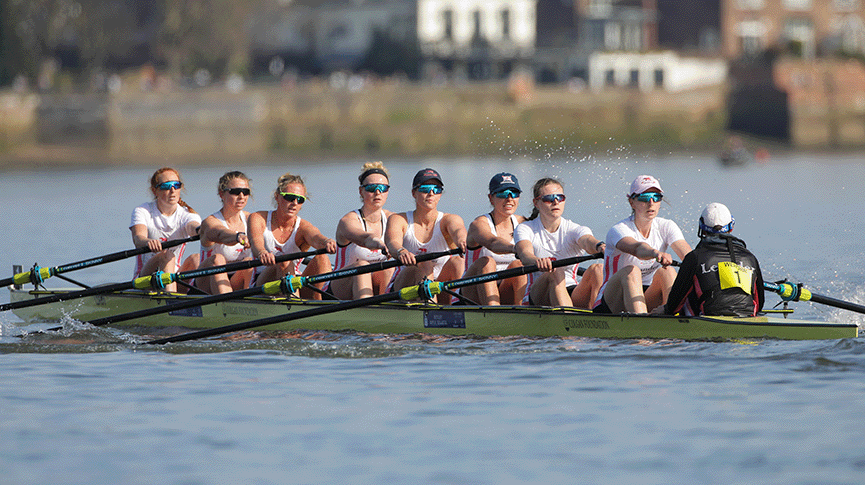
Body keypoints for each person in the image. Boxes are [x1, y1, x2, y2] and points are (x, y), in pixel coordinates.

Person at [593, 175, 691, 314]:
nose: (651, 203)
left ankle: (674, 317)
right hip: (612, 301)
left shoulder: (667, 226)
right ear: (631, 202)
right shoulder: (619, 230)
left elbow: (689, 258)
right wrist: (655, 253)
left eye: (656, 197)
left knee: (668, 271)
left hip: (646, 295)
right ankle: (642, 328)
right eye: (645, 197)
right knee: (632, 271)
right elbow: (637, 248)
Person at [658, 203, 765, 316]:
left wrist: (665, 310)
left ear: (702, 229)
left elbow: (674, 305)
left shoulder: (694, 257)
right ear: (731, 227)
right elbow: (760, 304)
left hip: (709, 320)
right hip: (747, 318)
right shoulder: (750, 257)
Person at [514, 177, 604, 308]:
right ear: (536, 202)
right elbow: (525, 254)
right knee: (556, 271)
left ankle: (599, 318)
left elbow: (587, 242)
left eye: (560, 197)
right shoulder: (525, 228)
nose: (555, 202)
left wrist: (599, 246)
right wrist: (537, 261)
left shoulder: (574, 229)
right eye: (549, 198)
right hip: (539, 293)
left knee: (598, 269)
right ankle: (570, 318)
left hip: (571, 291)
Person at [248, 172, 337, 299]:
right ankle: (295, 304)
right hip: (263, 284)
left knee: (322, 258)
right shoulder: (258, 218)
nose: (294, 203)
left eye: (300, 200)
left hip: (294, 282)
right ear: (277, 196)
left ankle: (316, 302)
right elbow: (255, 240)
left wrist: (327, 242)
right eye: (289, 197)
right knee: (284, 262)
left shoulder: (303, 227)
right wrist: (262, 252)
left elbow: (316, 238)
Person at [385, 168, 467, 304]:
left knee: (458, 261)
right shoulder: (399, 219)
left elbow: (458, 230)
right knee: (424, 262)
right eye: (425, 188)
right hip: (404, 285)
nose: (431, 193)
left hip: (439, 283)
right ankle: (431, 308)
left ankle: (458, 305)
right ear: (414, 193)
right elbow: (392, 242)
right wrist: (401, 251)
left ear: (440, 194)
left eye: (437, 189)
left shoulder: (449, 219)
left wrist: (462, 241)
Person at [328, 162, 394, 300]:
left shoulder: (393, 219)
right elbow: (364, 238)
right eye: (371, 188)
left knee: (389, 267)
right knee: (362, 266)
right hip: (340, 287)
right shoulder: (348, 221)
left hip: (376, 282)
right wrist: (378, 243)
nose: (378, 192)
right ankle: (367, 312)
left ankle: (389, 309)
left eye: (383, 188)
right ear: (361, 191)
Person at [130, 167, 201, 293]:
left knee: (197, 258)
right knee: (167, 255)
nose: (172, 190)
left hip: (175, 277)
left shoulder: (188, 214)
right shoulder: (143, 211)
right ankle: (171, 300)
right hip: (145, 279)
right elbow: (138, 238)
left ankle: (203, 299)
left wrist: (201, 231)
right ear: (155, 191)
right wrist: (148, 242)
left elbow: (193, 227)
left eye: (176, 185)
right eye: (166, 186)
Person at [461, 172, 527, 305]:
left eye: (514, 193)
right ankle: (493, 311)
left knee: (518, 265)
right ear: (491, 198)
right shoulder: (479, 224)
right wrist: (516, 248)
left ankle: (523, 311)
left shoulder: (524, 223)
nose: (509, 199)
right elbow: (492, 243)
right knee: (487, 262)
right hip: (472, 290)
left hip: (504, 288)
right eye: (503, 193)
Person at [196, 171, 254, 294]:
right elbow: (220, 233)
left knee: (248, 262)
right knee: (218, 259)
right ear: (222, 194)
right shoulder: (210, 222)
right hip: (205, 283)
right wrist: (238, 236)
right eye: (235, 192)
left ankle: (251, 302)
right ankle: (225, 302)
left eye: (246, 192)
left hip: (235, 280)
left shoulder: (252, 219)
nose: (242, 196)